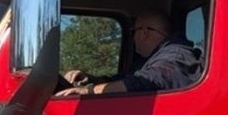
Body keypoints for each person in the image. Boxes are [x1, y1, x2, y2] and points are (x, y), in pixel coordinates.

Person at [58, 9, 202, 95]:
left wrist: (88, 91)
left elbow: (145, 82)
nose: (133, 37)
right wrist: (89, 80)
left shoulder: (175, 55)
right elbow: (123, 80)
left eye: (134, 31)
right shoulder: (148, 60)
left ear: (144, 33)